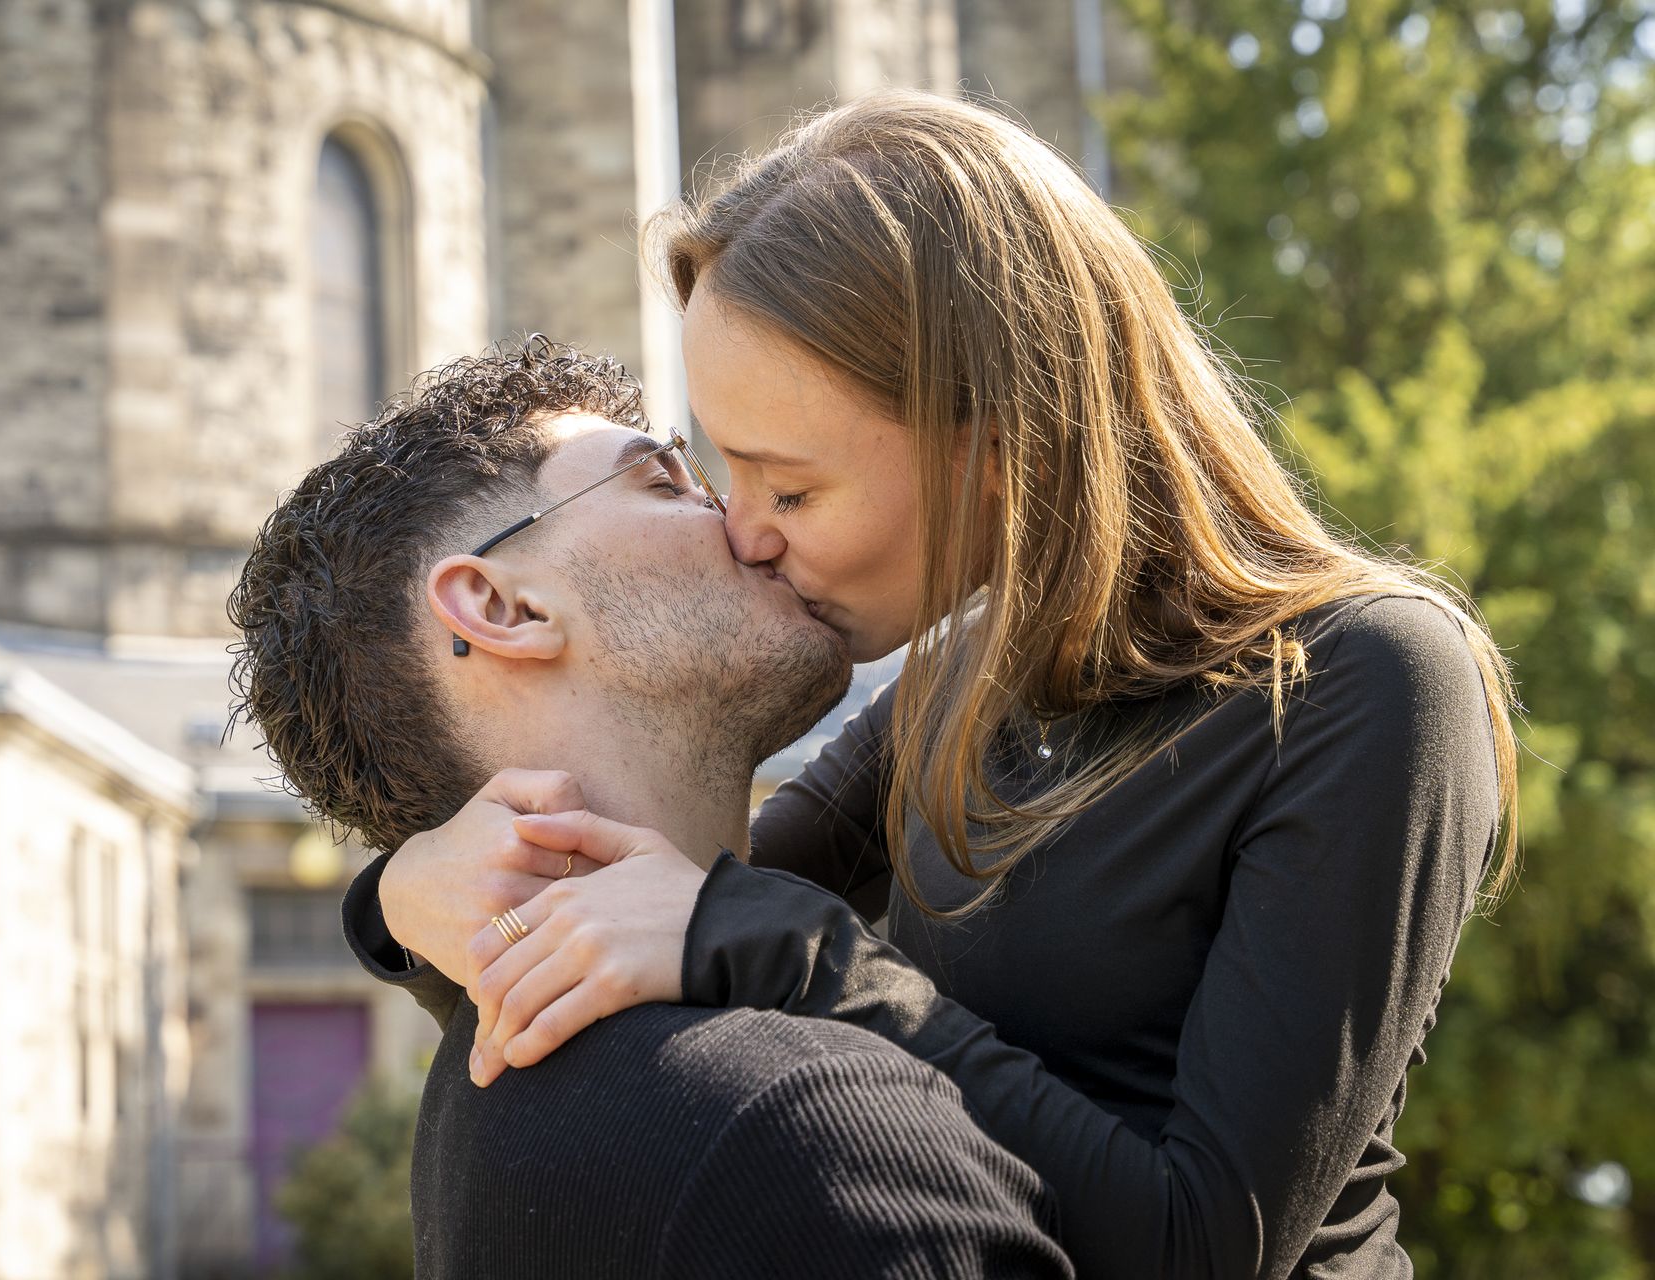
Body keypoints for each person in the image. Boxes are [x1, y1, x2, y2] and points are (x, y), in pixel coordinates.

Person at [353, 91, 1518, 1279]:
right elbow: (654, 931)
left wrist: (794, 949)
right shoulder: (966, 672)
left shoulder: (1367, 680)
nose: (742, 534)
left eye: (790, 490)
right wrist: (403, 896)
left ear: (1001, 438)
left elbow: (1206, 1240)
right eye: (723, 473)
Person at [226, 338, 1075, 1280]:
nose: (747, 525)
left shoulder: (493, 1086)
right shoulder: (805, 1129)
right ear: (502, 607)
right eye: (665, 481)